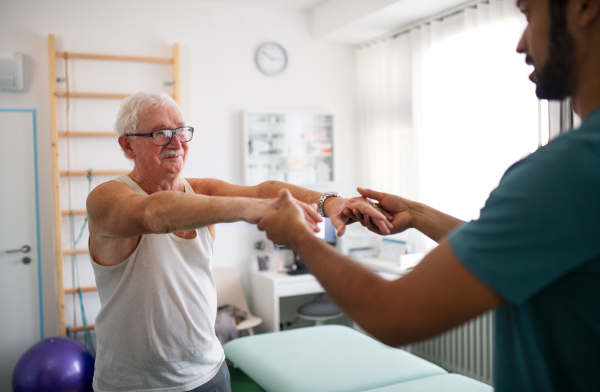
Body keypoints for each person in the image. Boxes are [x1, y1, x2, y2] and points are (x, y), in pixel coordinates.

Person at [256, 0, 600, 390]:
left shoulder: (566, 172)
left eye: (527, 13)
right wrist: (417, 214)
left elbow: (391, 313)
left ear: (584, 7)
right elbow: (516, 248)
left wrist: (299, 235)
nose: (521, 44)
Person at [86, 92, 391, 392]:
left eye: (181, 131)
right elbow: (153, 213)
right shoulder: (107, 199)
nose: (177, 143)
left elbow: (262, 191)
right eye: (161, 133)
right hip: (135, 386)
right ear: (128, 145)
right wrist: (254, 210)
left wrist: (331, 203)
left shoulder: (200, 192)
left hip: (210, 373)